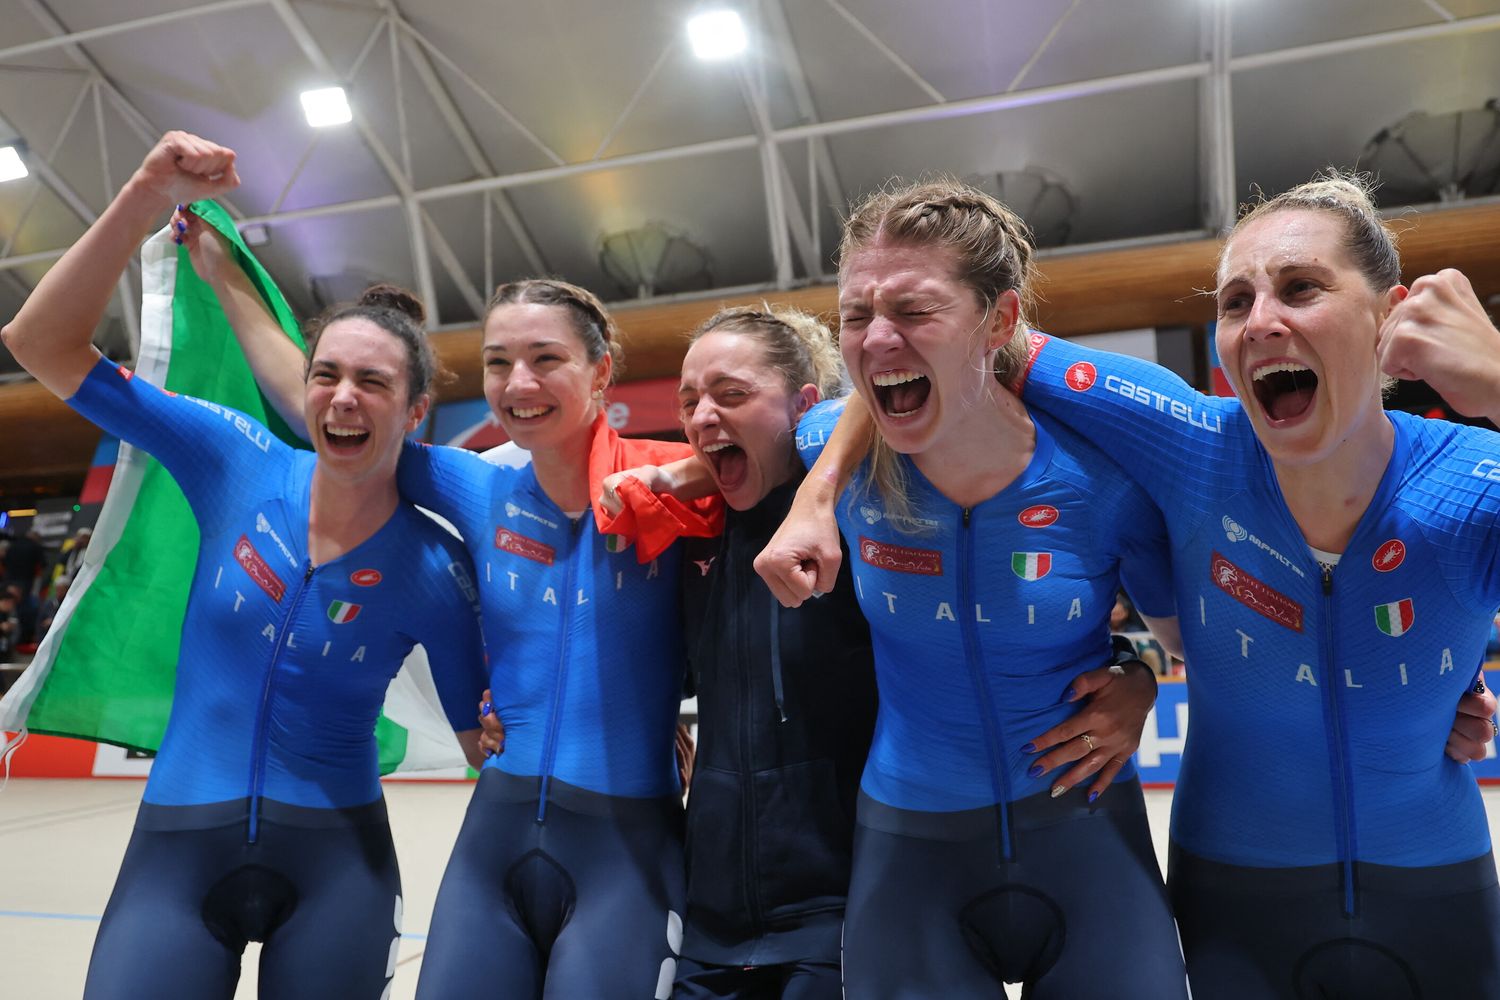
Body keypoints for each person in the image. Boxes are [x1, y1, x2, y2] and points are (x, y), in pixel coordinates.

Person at [765, 174, 1500, 997]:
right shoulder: (1190, 444)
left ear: (1389, 313)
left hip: (1434, 884)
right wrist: (815, 490)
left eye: (1301, 289)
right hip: (1236, 892)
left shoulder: (1476, 482)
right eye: (1233, 301)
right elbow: (927, 352)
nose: (1262, 321)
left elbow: (952, 332)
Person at [1, 132, 489, 999]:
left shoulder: (434, 567)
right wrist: (146, 193)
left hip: (340, 871)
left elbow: (481, 748)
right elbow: (41, 344)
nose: (343, 396)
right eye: (327, 375)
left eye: (373, 383)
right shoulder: (236, 460)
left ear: (417, 412)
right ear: (302, 390)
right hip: (176, 854)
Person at [727, 181, 1188, 997]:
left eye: (913, 309)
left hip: (1085, 831)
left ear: (1001, 321)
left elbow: (1187, 639)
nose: (876, 339)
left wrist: (1140, 682)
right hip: (912, 849)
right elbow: (734, 447)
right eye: (856, 315)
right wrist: (810, 492)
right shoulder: (833, 459)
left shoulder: (1104, 482)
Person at [210, 257, 720, 996]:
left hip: (628, 849)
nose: (518, 384)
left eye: (546, 360)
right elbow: (320, 406)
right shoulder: (476, 486)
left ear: (601, 372)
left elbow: (798, 443)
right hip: (495, 838)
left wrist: (682, 476)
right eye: (498, 363)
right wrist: (224, 274)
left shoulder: (669, 480)